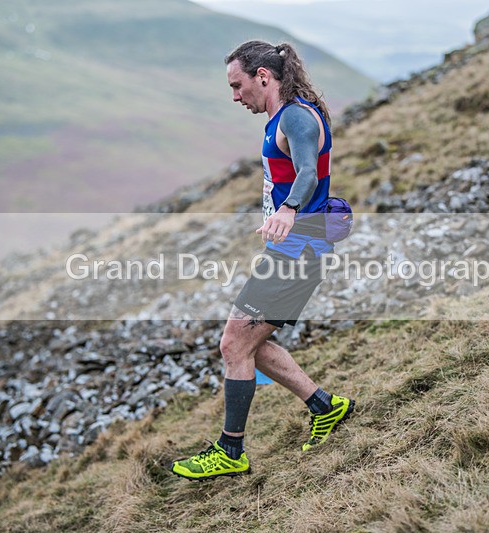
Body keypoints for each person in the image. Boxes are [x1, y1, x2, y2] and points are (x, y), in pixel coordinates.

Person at [171, 40, 355, 481]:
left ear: (263, 77)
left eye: (238, 86)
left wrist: (289, 209)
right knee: (248, 342)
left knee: (233, 344)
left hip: (299, 252)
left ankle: (231, 450)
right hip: (289, 250)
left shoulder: (295, 115)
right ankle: (325, 407)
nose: (236, 96)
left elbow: (309, 172)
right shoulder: (281, 116)